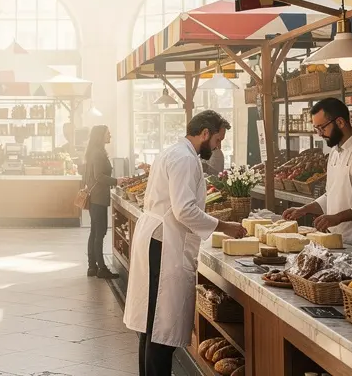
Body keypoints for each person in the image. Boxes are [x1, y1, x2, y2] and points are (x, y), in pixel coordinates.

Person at [123, 110, 246, 376]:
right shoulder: (185, 159)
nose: (217, 147)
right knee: (160, 324)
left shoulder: (175, 152)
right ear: (205, 133)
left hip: (158, 237)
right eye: (217, 140)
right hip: (163, 242)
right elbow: (185, 210)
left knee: (152, 324)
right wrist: (225, 227)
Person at [282, 98, 352, 245]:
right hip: (339, 239)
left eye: (322, 128)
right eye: (316, 129)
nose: (319, 134)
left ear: (340, 122)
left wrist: (338, 217)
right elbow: (332, 194)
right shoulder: (335, 152)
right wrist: (304, 209)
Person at [83, 125, 122, 279]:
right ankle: (101, 268)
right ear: (101, 136)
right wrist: (117, 181)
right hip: (98, 198)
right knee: (100, 232)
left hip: (95, 198)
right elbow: (98, 176)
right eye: (108, 133)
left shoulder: (93, 152)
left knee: (94, 232)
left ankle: (92, 267)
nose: (110, 136)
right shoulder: (98, 153)